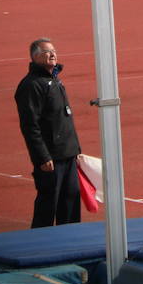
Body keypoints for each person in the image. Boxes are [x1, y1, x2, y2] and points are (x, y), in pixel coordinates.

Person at [15, 38, 82, 228]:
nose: (53, 54)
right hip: (50, 159)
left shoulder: (54, 80)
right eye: (47, 52)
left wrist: (75, 149)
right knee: (48, 203)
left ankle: (70, 240)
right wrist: (42, 156)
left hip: (67, 154)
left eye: (53, 50)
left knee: (70, 200)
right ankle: (40, 244)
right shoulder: (31, 85)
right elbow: (30, 125)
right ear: (35, 57)